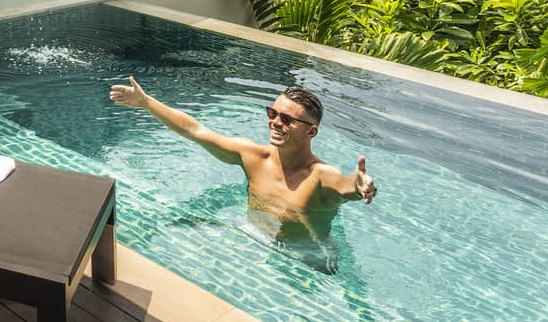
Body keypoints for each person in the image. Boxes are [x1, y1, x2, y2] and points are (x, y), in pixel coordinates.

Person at [110, 79, 376, 242]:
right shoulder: (252, 156)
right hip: (253, 235)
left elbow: (344, 184)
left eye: (287, 119)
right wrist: (146, 103)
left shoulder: (319, 175)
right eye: (273, 113)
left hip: (306, 258)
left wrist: (360, 185)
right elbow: (195, 130)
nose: (275, 122)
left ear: (311, 131)